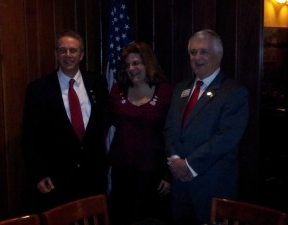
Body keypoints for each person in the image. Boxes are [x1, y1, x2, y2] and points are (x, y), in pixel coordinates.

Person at [164, 29, 249, 225]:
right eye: (193, 52)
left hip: (212, 188)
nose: (197, 57)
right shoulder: (181, 89)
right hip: (180, 187)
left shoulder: (234, 92)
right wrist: (175, 160)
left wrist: (189, 166)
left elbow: (226, 138)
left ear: (219, 55)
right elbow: (170, 128)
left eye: (204, 52)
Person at [22, 30, 109, 213]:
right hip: (56, 179)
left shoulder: (98, 83)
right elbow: (30, 137)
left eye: (73, 50)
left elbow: (104, 124)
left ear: (81, 54)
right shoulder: (38, 89)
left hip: (93, 177)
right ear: (56, 54)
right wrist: (39, 174)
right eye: (63, 50)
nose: (68, 55)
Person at [108, 42, 173, 225]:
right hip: (122, 172)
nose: (131, 69)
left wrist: (168, 175)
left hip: (153, 173)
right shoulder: (117, 90)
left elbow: (173, 134)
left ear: (147, 63)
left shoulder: (166, 92)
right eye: (128, 65)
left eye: (136, 63)